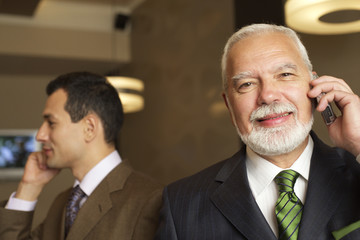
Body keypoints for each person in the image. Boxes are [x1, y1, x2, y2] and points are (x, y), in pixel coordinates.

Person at [155, 24, 360, 240]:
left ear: (315, 85)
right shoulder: (181, 204)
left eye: (285, 74)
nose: (268, 95)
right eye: (246, 84)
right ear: (229, 105)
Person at [0, 72, 162, 240]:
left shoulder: (150, 200)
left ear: (89, 128)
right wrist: (28, 188)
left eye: (51, 123)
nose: (40, 135)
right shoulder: (62, 203)